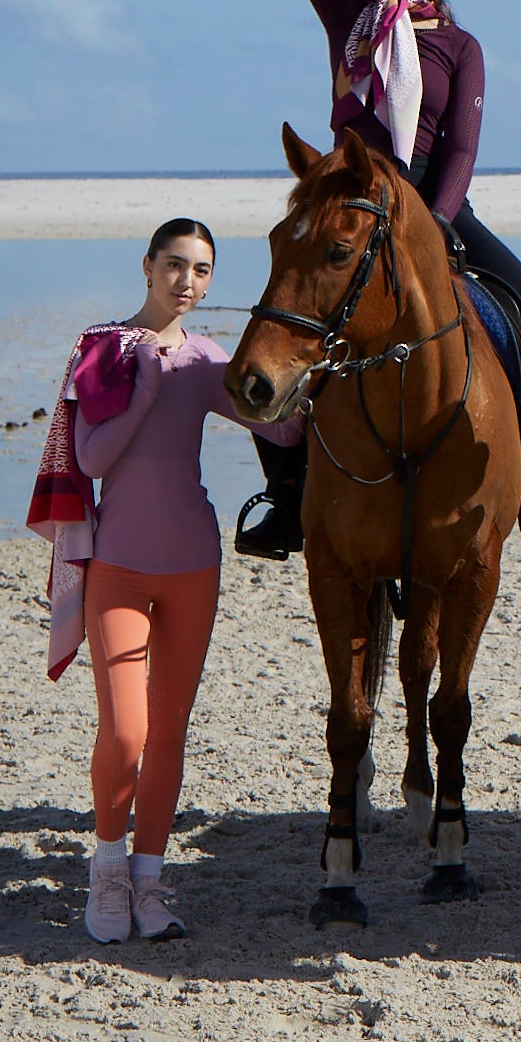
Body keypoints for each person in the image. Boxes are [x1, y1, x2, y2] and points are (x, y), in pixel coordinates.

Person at [236, 0, 521, 557]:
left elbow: (460, 147)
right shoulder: (346, 18)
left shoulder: (461, 47)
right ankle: (285, 495)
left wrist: (431, 223)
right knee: (279, 324)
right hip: (352, 201)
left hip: (434, 202)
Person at [41, 220, 302, 944]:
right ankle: (108, 870)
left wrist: (316, 383)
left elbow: (278, 427)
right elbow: (91, 460)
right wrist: (145, 390)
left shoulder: (208, 358)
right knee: (126, 730)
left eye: (203, 269)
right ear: (149, 266)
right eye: (176, 265)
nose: (188, 280)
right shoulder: (103, 349)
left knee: (170, 732)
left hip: (194, 565)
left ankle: (150, 881)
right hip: (119, 568)